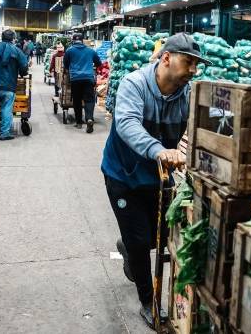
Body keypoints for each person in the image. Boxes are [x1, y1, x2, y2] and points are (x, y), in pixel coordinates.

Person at [100, 33, 210, 329]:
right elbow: (126, 123)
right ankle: (148, 302)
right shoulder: (134, 84)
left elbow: (204, 124)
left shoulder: (187, 95)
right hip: (122, 175)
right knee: (140, 242)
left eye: (196, 65)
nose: (193, 70)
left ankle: (129, 246)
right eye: (188, 62)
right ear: (166, 59)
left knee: (160, 234)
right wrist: (159, 150)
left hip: (158, 178)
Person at [0, 29, 30, 141]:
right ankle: (4, 133)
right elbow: (24, 66)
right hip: (9, 85)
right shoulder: (16, 51)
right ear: (13, 38)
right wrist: (22, 73)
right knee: (7, 109)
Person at [63, 33, 101, 133]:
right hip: (88, 79)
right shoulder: (90, 51)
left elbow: (66, 65)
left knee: (77, 100)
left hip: (75, 79)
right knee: (89, 100)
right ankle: (89, 118)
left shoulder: (69, 51)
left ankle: (79, 122)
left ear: (73, 41)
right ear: (83, 40)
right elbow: (99, 63)